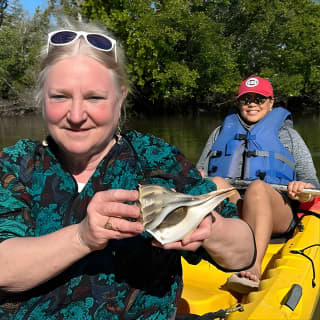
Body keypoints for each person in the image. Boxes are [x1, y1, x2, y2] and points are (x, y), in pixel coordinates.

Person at [0, 21, 256, 319]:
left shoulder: (154, 158)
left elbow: (244, 251)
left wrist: (211, 230)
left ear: (120, 99)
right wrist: (82, 237)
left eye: (95, 97)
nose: (77, 115)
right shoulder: (17, 164)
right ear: (42, 100)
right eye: (60, 96)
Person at [197, 76, 320, 294]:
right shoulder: (219, 132)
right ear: (239, 103)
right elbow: (199, 173)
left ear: (271, 102)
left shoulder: (289, 136)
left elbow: (312, 183)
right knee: (214, 182)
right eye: (246, 99)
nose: (252, 104)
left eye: (259, 99)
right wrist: (197, 174)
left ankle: (253, 266)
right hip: (236, 208)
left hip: (276, 210)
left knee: (258, 188)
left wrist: (302, 189)